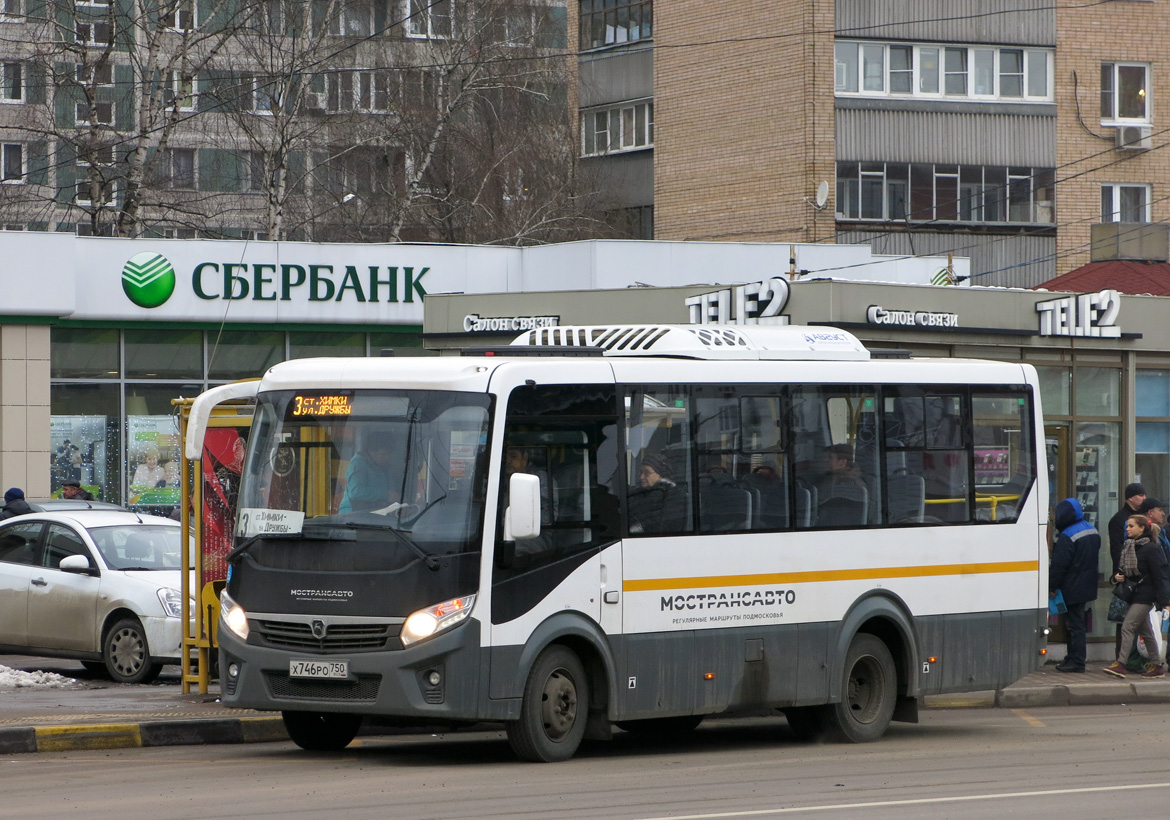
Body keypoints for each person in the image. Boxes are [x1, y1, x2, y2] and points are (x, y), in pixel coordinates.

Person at [1103, 514, 1170, 679]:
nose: (1127, 529)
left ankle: (1121, 664)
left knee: (1127, 626)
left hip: (1146, 596)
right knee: (1145, 631)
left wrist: (1165, 602)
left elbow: (1160, 576)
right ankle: (1157, 666)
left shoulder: (1152, 548)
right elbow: (1123, 572)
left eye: (1131, 526)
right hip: (1133, 594)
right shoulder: (1129, 546)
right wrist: (1115, 578)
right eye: (1127, 526)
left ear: (1142, 528)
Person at [1049, 497, 1101, 673]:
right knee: (1077, 624)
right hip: (1087, 585)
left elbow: (1059, 565)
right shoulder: (1091, 529)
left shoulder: (1067, 535)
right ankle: (1073, 658)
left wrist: (1051, 586)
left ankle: (1076, 661)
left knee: (1074, 625)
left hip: (1071, 586)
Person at [1108, 482, 1146, 656]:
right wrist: (1120, 572)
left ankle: (1136, 656)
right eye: (1140, 495)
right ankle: (1122, 656)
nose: (1143, 498)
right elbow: (1117, 550)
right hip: (1127, 575)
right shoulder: (1120, 520)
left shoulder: (1142, 518)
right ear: (1131, 497)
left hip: (1140, 575)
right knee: (1124, 618)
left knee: (1138, 620)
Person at [628, 452, 687, 534]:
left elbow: (663, 525)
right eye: (640, 472)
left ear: (661, 474)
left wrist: (635, 529)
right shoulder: (637, 493)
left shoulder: (674, 496)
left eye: (647, 472)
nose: (641, 477)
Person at [337, 437, 396, 514]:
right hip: (352, 515)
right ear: (371, 452)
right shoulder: (358, 463)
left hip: (372, 513)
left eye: (389, 455)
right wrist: (386, 494)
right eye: (383, 454)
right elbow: (356, 491)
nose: (387, 458)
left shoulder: (384, 467)